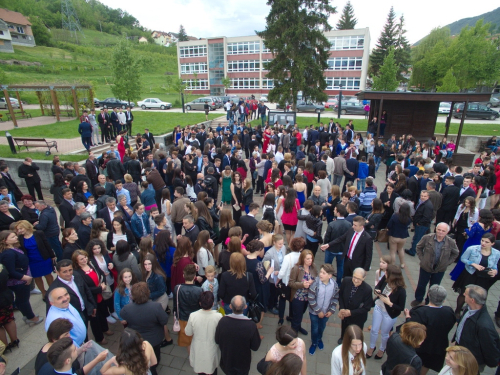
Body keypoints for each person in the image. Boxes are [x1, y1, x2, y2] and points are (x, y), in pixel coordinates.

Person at [403, 285, 457, 374]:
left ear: (428, 295)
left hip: (421, 347)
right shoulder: (449, 311)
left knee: (413, 366)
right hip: (437, 346)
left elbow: (412, 328)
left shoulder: (420, 312)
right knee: (426, 365)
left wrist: (408, 317)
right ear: (443, 299)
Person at [120, 282, 168, 375]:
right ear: (148, 293)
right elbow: (164, 321)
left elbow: (122, 315)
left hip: (136, 339)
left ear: (133, 296)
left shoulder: (127, 308)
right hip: (154, 339)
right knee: (155, 355)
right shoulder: (156, 307)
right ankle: (153, 366)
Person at [0, 230, 43, 326]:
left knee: (21, 300)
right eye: (12, 237)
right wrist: (25, 278)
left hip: (22, 278)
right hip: (18, 281)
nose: (16, 237)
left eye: (15, 236)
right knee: (24, 300)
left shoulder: (12, 249)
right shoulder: (8, 254)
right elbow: (11, 271)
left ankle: (26, 314)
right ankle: (31, 317)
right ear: (5, 241)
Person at [411, 223, 459, 307]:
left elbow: (455, 253)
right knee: (421, 284)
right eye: (439, 230)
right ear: (435, 229)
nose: (440, 232)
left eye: (443, 231)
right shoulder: (427, 237)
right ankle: (418, 299)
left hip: (439, 269)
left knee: (434, 286)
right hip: (426, 267)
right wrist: (422, 259)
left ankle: (429, 301)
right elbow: (418, 247)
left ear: (447, 232)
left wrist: (447, 263)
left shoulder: (450, 242)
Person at [452, 233, 500, 317]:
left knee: (479, 295)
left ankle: (471, 311)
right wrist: (473, 264)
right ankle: (457, 310)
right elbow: (463, 258)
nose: (483, 243)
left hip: (483, 277)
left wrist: (495, 271)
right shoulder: (472, 249)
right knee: (464, 293)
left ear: (492, 243)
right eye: (482, 240)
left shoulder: (496, 253)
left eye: (487, 242)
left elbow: (494, 264)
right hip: (470, 274)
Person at [71, 249, 113, 345]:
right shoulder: (77, 273)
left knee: (103, 313)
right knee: (95, 319)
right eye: (81, 259)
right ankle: (99, 338)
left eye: (85, 257)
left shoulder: (91, 264)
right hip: (91, 299)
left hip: (100, 295)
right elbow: (85, 289)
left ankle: (105, 329)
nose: (84, 260)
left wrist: (103, 283)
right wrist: (99, 289)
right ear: (76, 261)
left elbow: (101, 273)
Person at [367, 264, 407, 360]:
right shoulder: (385, 278)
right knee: (374, 330)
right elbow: (378, 286)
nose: (384, 273)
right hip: (379, 307)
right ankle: (372, 347)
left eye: (386, 272)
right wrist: (377, 290)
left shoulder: (401, 291)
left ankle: (382, 349)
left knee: (385, 333)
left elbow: (401, 307)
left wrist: (390, 303)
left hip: (390, 313)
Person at [215, 295, 261, 375]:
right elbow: (255, 346)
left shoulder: (223, 321)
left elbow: (217, 340)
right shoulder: (250, 325)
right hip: (243, 364)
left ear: (230, 306)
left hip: (227, 361)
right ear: (245, 307)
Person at [14, 220, 55, 299]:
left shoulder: (38, 233)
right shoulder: (20, 238)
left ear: (26, 227)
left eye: (21, 228)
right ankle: (43, 292)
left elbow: (46, 244)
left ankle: (52, 290)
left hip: (43, 258)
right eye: (18, 229)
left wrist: (52, 255)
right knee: (37, 277)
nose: (19, 231)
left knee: (48, 275)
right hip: (31, 261)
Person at [185, 291, 223, 375]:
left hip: (199, 349)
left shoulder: (193, 316)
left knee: (201, 370)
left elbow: (188, 333)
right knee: (213, 369)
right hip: (212, 348)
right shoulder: (219, 316)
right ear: (213, 303)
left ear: (199, 303)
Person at [450, 209, 493, 281]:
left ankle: (456, 275)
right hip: (479, 243)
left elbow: (471, 234)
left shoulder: (477, 225)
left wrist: (467, 230)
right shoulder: (489, 226)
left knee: (464, 258)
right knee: (472, 259)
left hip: (471, 243)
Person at [307, 263, 339, 355]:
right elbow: (311, 297)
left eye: (324, 273)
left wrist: (331, 310)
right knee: (314, 328)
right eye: (320, 272)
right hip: (314, 312)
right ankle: (314, 343)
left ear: (330, 275)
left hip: (326, 313)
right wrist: (318, 311)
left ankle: (319, 339)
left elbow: (335, 298)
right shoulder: (315, 283)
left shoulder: (334, 285)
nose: (320, 274)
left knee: (322, 327)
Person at [338, 268, 373, 344]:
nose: (356, 280)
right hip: (345, 315)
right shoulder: (346, 281)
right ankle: (343, 339)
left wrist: (351, 312)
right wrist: (342, 308)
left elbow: (366, 307)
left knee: (354, 335)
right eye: (354, 277)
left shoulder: (367, 289)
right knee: (344, 328)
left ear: (364, 278)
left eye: (359, 279)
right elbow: (340, 295)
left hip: (358, 318)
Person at [173, 264, 202, 353]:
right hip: (196, 319)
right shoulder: (199, 290)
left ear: (183, 275)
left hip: (183, 318)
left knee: (187, 340)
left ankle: (191, 357)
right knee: (196, 338)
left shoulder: (177, 288)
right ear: (194, 277)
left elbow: (175, 304)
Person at [288, 249, 317, 335]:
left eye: (311, 258)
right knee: (297, 316)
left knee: (301, 314)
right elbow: (291, 283)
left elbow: (317, 277)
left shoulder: (313, 267)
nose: (310, 261)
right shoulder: (296, 268)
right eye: (307, 259)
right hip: (298, 297)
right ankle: (293, 333)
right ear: (303, 259)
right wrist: (302, 284)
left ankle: (298, 326)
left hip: (308, 297)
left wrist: (312, 281)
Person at [406, 191, 434, 257]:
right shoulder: (422, 202)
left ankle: (413, 251)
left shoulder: (428, 205)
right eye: (422, 196)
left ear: (428, 197)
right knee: (417, 237)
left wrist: (419, 223)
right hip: (420, 224)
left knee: (417, 238)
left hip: (422, 225)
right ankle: (413, 249)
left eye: (425, 196)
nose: (423, 197)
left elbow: (426, 217)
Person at [387, 203, 412, 269]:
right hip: (403, 237)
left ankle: (393, 264)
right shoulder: (409, 219)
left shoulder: (395, 216)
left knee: (393, 252)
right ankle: (402, 264)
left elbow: (389, 225)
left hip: (394, 236)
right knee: (400, 249)